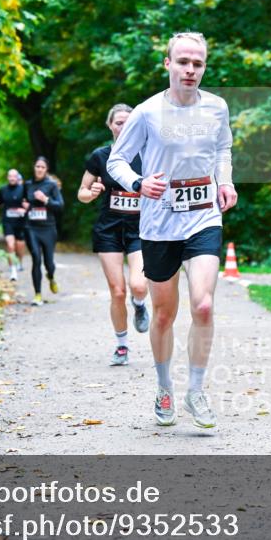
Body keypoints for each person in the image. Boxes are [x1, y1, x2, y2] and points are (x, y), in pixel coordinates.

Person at [107, 32, 237, 429]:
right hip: (160, 222)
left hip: (203, 215)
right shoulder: (147, 112)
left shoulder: (217, 107)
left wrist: (225, 181)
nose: (191, 70)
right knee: (164, 315)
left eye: (198, 63)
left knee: (203, 305)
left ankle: (196, 390)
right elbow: (117, 161)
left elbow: (223, 149)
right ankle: (164, 386)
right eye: (183, 62)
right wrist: (138, 184)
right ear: (168, 64)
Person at [77, 103, 150, 366]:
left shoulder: (148, 154)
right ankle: (121, 346)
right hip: (108, 230)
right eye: (118, 122)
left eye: (128, 122)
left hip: (140, 230)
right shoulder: (100, 156)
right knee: (117, 291)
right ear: (110, 126)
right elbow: (82, 192)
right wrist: (90, 193)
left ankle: (140, 304)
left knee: (139, 285)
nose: (123, 126)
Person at [26, 156, 64, 306]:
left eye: (42, 167)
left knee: (49, 262)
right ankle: (37, 294)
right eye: (37, 166)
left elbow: (60, 206)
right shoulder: (27, 184)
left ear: (46, 169)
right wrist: (24, 205)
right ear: (34, 168)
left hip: (48, 228)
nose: (39, 169)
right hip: (31, 227)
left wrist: (45, 199)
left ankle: (51, 276)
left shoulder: (51, 185)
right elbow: (24, 201)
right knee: (36, 257)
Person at [0, 169, 29, 281]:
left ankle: (20, 262)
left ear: (17, 177)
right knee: (10, 245)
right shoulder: (3, 190)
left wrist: (24, 208)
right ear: (7, 177)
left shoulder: (23, 189)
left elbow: (29, 204)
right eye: (10, 176)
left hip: (21, 222)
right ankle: (13, 270)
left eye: (14, 176)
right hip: (8, 221)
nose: (12, 178)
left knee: (19, 246)